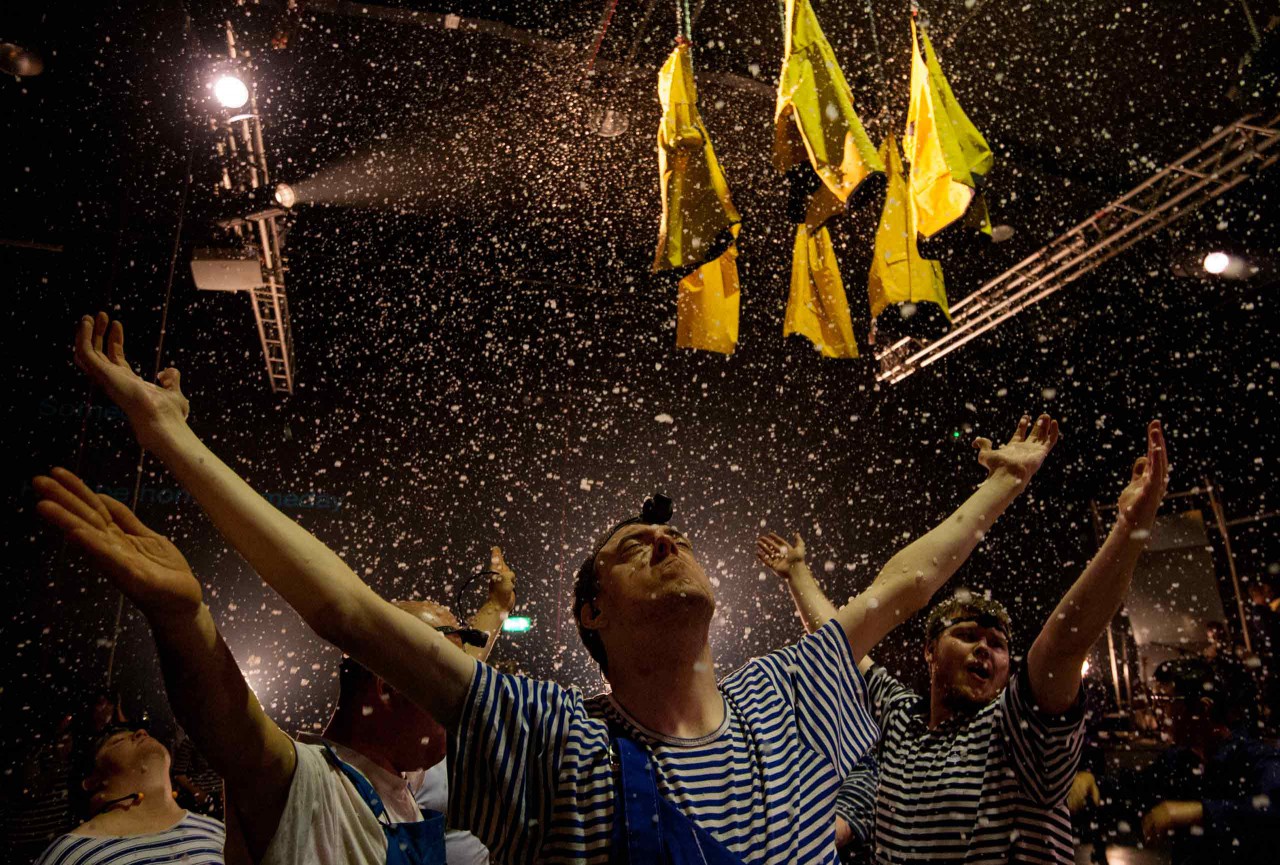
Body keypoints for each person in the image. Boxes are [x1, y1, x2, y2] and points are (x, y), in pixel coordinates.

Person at [69, 312, 1063, 863]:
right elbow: (348, 611)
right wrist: (174, 440)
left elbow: (906, 578)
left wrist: (999, 484)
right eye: (636, 543)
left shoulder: (791, 693)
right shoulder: (553, 736)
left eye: (673, 532)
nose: (667, 536)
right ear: (590, 610)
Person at [31, 465, 514, 865]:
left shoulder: (394, 775)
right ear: (389, 689)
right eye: (447, 675)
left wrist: (498, 607)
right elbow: (225, 721)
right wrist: (180, 619)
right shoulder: (304, 786)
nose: (465, 695)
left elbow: (444, 673)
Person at [761, 418, 1169, 863]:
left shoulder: (1014, 728)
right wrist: (798, 573)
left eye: (997, 644)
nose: (985, 650)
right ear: (929, 651)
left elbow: (1066, 642)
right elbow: (836, 643)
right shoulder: (899, 718)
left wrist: (1129, 531)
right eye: (967, 635)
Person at [1089, 657, 1280, 864]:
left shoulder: (1255, 757)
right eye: (1155, 701)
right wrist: (1091, 783)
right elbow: (1132, 786)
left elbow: (1273, 809)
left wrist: (1199, 812)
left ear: (1202, 708)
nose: (1158, 712)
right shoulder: (1180, 760)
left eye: (1164, 702)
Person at [33, 723, 225, 864]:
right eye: (118, 741)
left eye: (137, 731)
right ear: (90, 781)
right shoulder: (70, 855)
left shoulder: (218, 831)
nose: (141, 732)